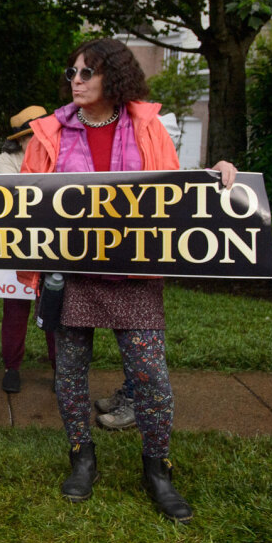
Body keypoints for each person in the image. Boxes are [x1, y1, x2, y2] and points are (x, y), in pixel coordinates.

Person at [0, 40, 236, 523]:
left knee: (150, 377)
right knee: (69, 374)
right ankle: (81, 459)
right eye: (72, 71)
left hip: (135, 274)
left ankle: (158, 471)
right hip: (69, 276)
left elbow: (173, 184)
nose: (76, 79)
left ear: (113, 77)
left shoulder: (147, 126)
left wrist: (213, 176)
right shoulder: (50, 131)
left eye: (87, 72)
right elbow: (27, 193)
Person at [94, 111, 183, 429]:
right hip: (122, 257)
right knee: (133, 344)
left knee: (143, 347)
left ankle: (137, 404)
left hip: (142, 264)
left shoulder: (159, 158)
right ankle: (131, 392)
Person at [0, 106, 57, 393]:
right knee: (15, 310)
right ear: (19, 140)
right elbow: (8, 196)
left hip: (54, 245)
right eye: (31, 135)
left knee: (55, 307)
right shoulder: (6, 160)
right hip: (16, 245)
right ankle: (12, 368)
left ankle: (61, 369)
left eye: (40, 132)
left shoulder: (60, 153)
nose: (38, 138)